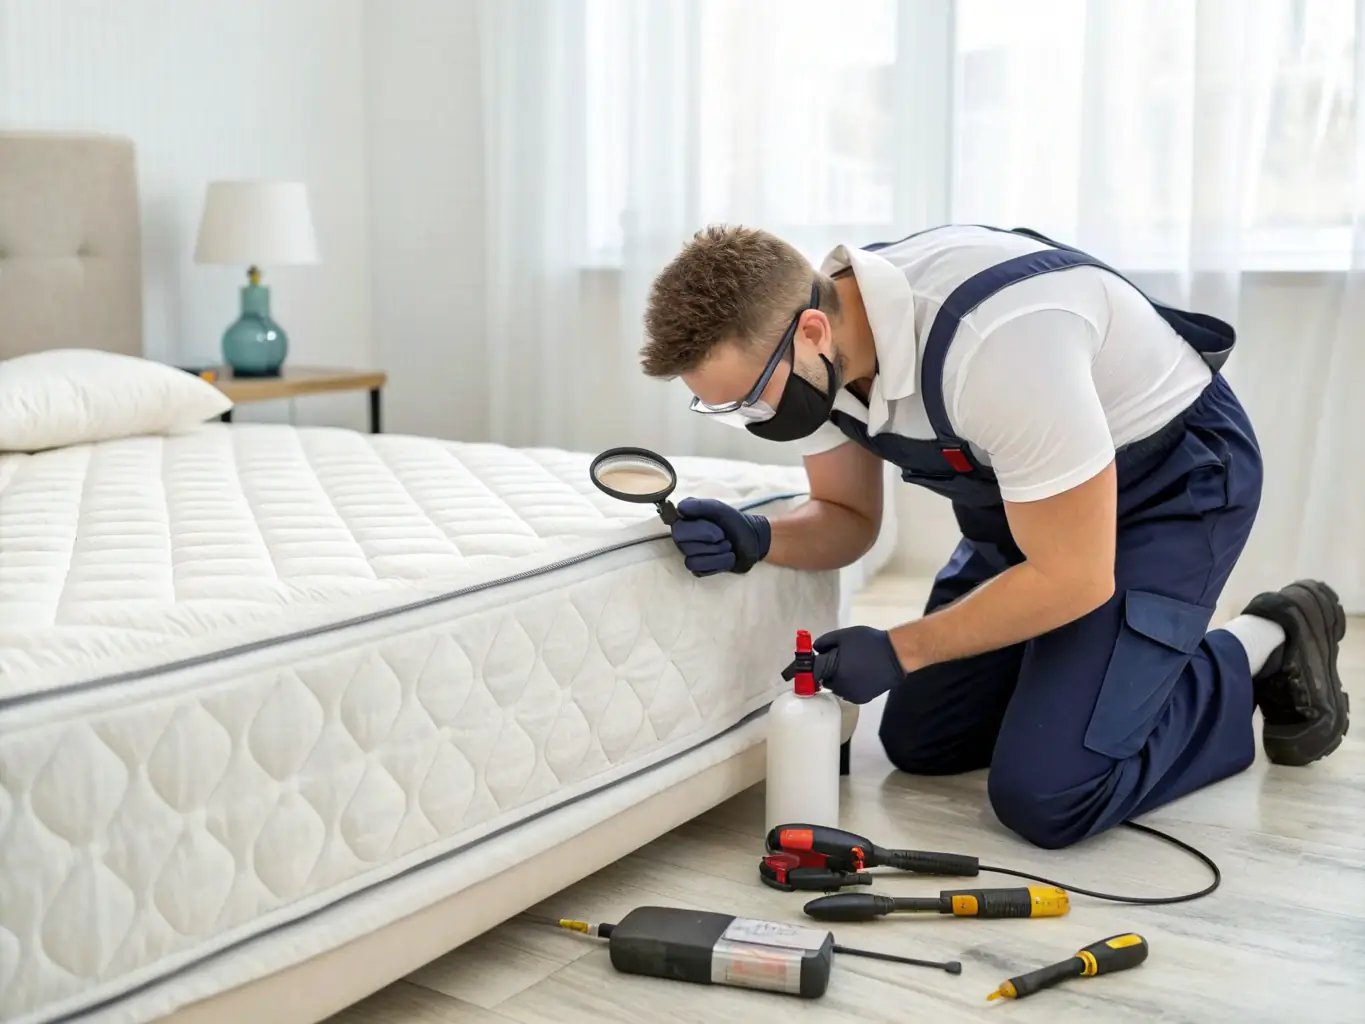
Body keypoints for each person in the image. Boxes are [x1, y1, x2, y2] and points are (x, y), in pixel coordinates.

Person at [638, 223, 1349, 850]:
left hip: (1168, 487)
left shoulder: (992, 342)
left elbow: (1075, 577)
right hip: (1031, 512)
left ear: (813, 333)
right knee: (923, 742)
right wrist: (758, 538)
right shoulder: (817, 357)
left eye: (750, 398)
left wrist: (900, 648)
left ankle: (1265, 637)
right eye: (725, 409)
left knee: (1051, 794)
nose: (756, 419)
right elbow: (847, 517)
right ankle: (1084, 670)